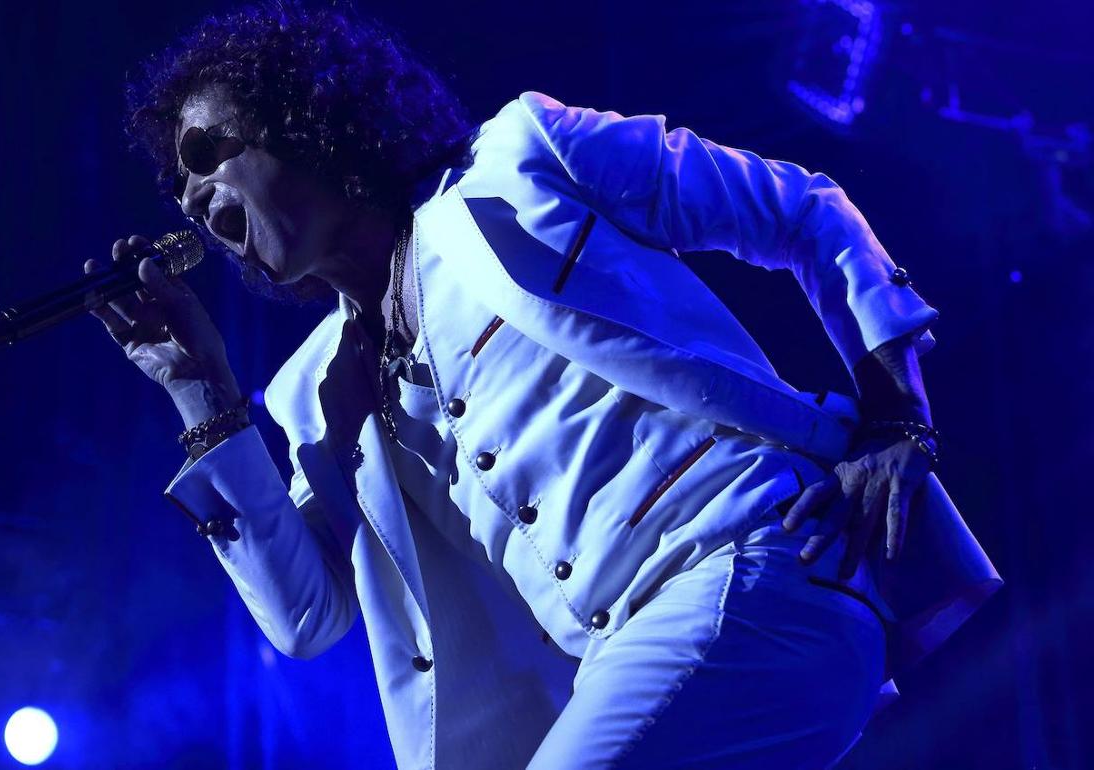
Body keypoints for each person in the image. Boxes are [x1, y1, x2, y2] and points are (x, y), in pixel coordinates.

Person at [85, 2, 1001, 767]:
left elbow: (801, 211)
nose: (195, 198)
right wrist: (201, 394)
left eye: (208, 154)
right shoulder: (312, 391)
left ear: (304, 118)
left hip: (760, 571)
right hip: (621, 662)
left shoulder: (519, 163)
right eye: (177, 188)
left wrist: (896, 420)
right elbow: (306, 617)